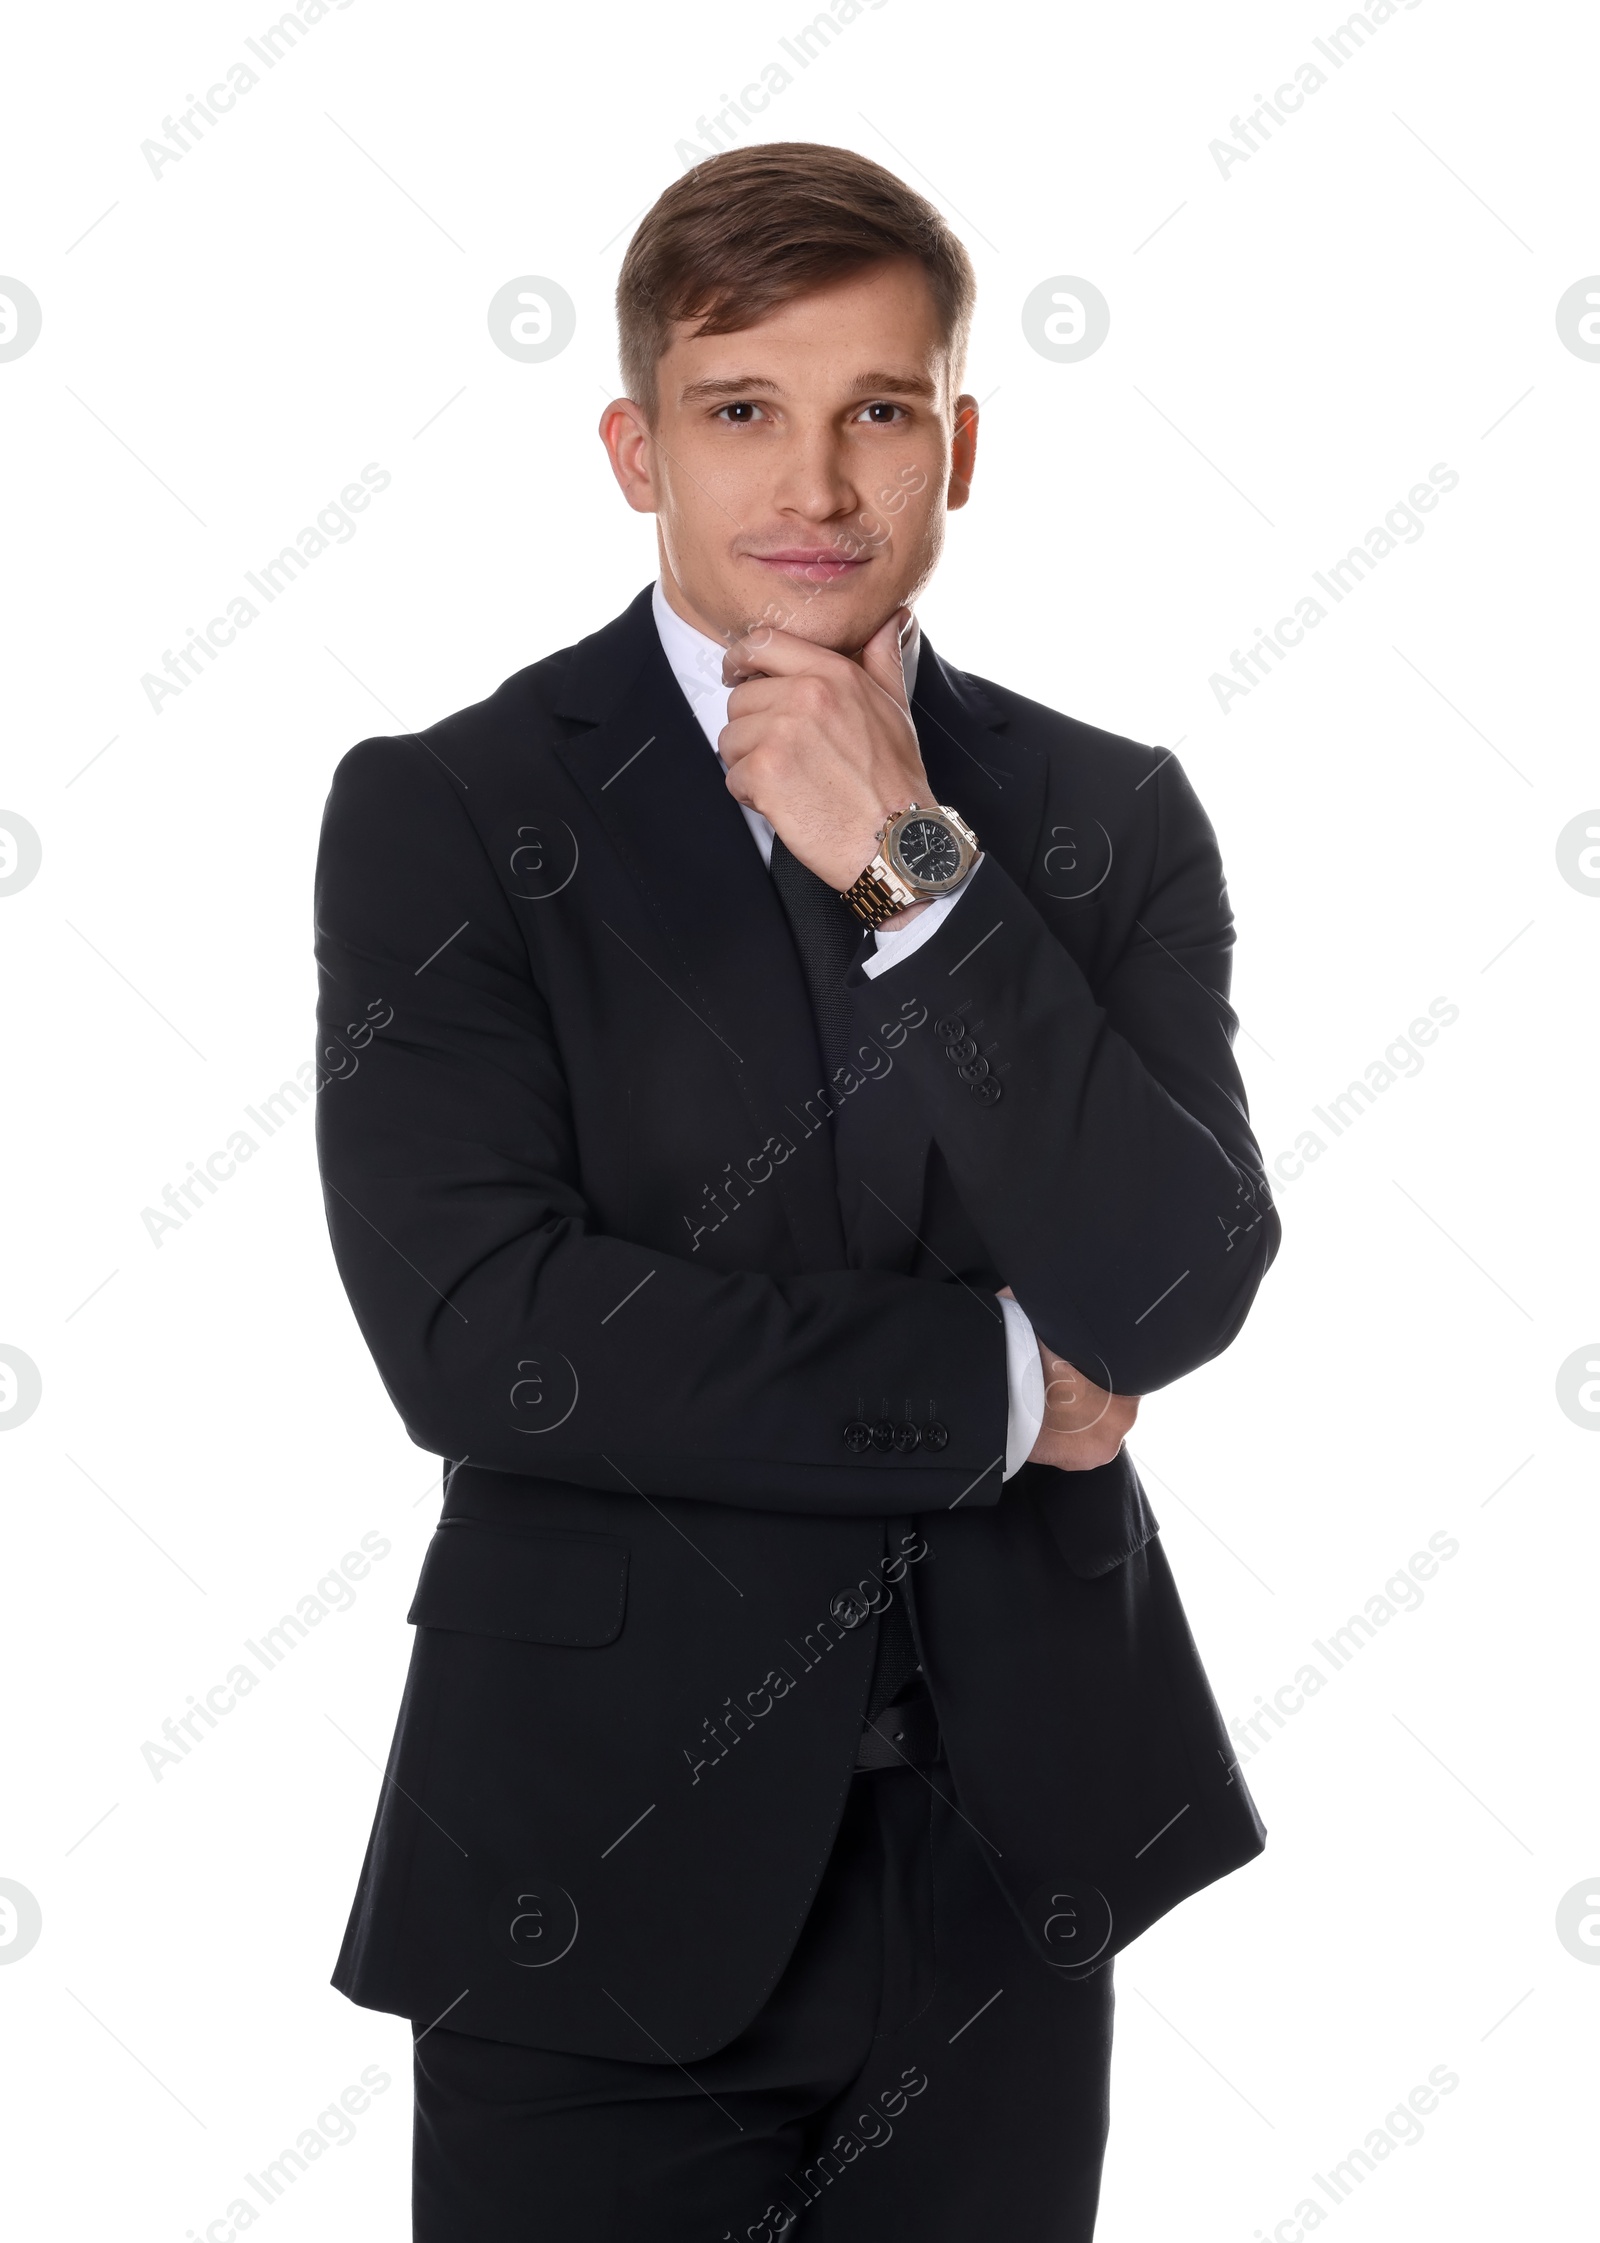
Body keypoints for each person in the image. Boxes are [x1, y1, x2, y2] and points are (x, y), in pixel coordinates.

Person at [313, 138, 1280, 2242]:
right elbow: (484, 1335)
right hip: (590, 1861)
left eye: (876, 413)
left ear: (959, 443)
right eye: (740, 410)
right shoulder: (451, 817)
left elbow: (1180, 1276)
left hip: (1008, 1859)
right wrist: (1004, 1389)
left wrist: (920, 882)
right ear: (630, 447)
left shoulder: (1100, 816)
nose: (814, 490)